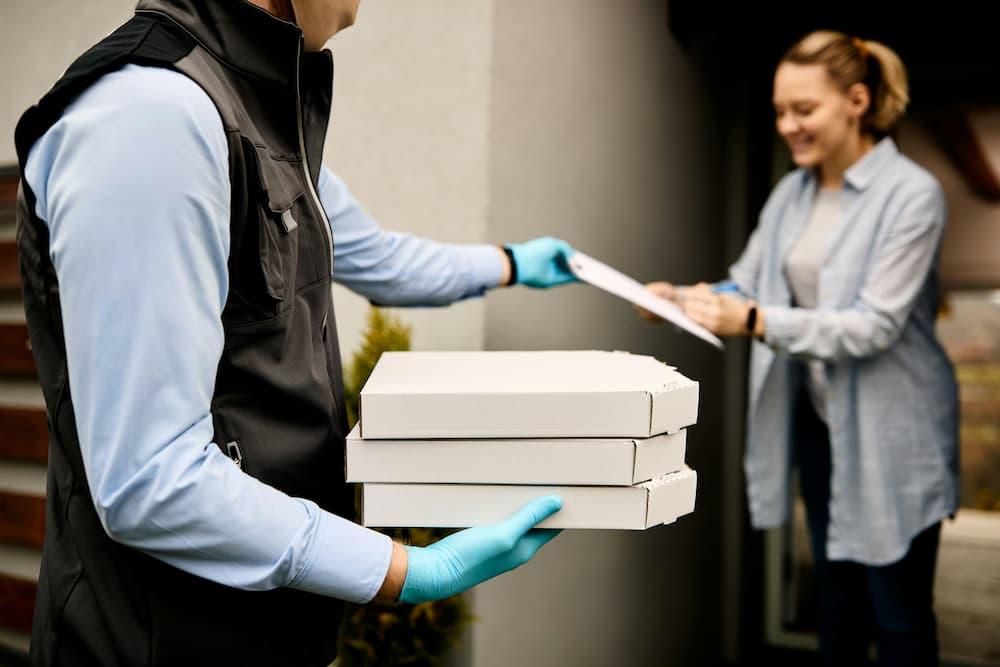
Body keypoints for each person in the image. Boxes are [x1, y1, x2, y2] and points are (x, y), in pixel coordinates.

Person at [14, 1, 576, 664]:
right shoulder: (153, 114)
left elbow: (380, 258)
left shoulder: (251, 111)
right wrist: (403, 570)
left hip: (267, 634)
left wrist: (511, 263)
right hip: (156, 642)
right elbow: (150, 479)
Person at [638, 31, 958, 667]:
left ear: (857, 102)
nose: (787, 125)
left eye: (803, 110)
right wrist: (682, 300)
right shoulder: (791, 193)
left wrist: (752, 318)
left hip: (897, 429)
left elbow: (872, 326)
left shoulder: (913, 194)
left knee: (897, 612)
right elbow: (747, 282)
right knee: (836, 601)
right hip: (821, 421)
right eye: (780, 111)